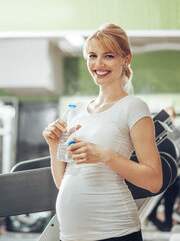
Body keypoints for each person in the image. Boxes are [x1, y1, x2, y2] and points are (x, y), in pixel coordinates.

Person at [42, 23, 163, 241]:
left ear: (126, 59)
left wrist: (105, 155)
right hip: (70, 235)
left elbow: (154, 181)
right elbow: (64, 182)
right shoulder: (75, 110)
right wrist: (53, 145)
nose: (98, 64)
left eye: (108, 56)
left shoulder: (133, 107)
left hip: (115, 232)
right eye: (92, 56)